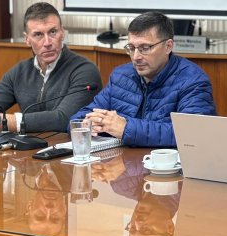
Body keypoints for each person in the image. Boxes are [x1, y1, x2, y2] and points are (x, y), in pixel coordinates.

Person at [0, 3, 100, 133]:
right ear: (27, 39)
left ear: (62, 33)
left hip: (68, 155)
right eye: (38, 35)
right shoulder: (20, 71)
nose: (47, 42)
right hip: (29, 157)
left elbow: (63, 119)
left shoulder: (84, 71)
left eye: (53, 32)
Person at [71, 11, 216, 147]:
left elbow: (192, 134)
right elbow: (78, 118)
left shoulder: (193, 81)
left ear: (168, 46)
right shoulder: (121, 76)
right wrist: (87, 123)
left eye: (145, 48)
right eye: (131, 48)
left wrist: (126, 128)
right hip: (122, 165)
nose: (136, 57)